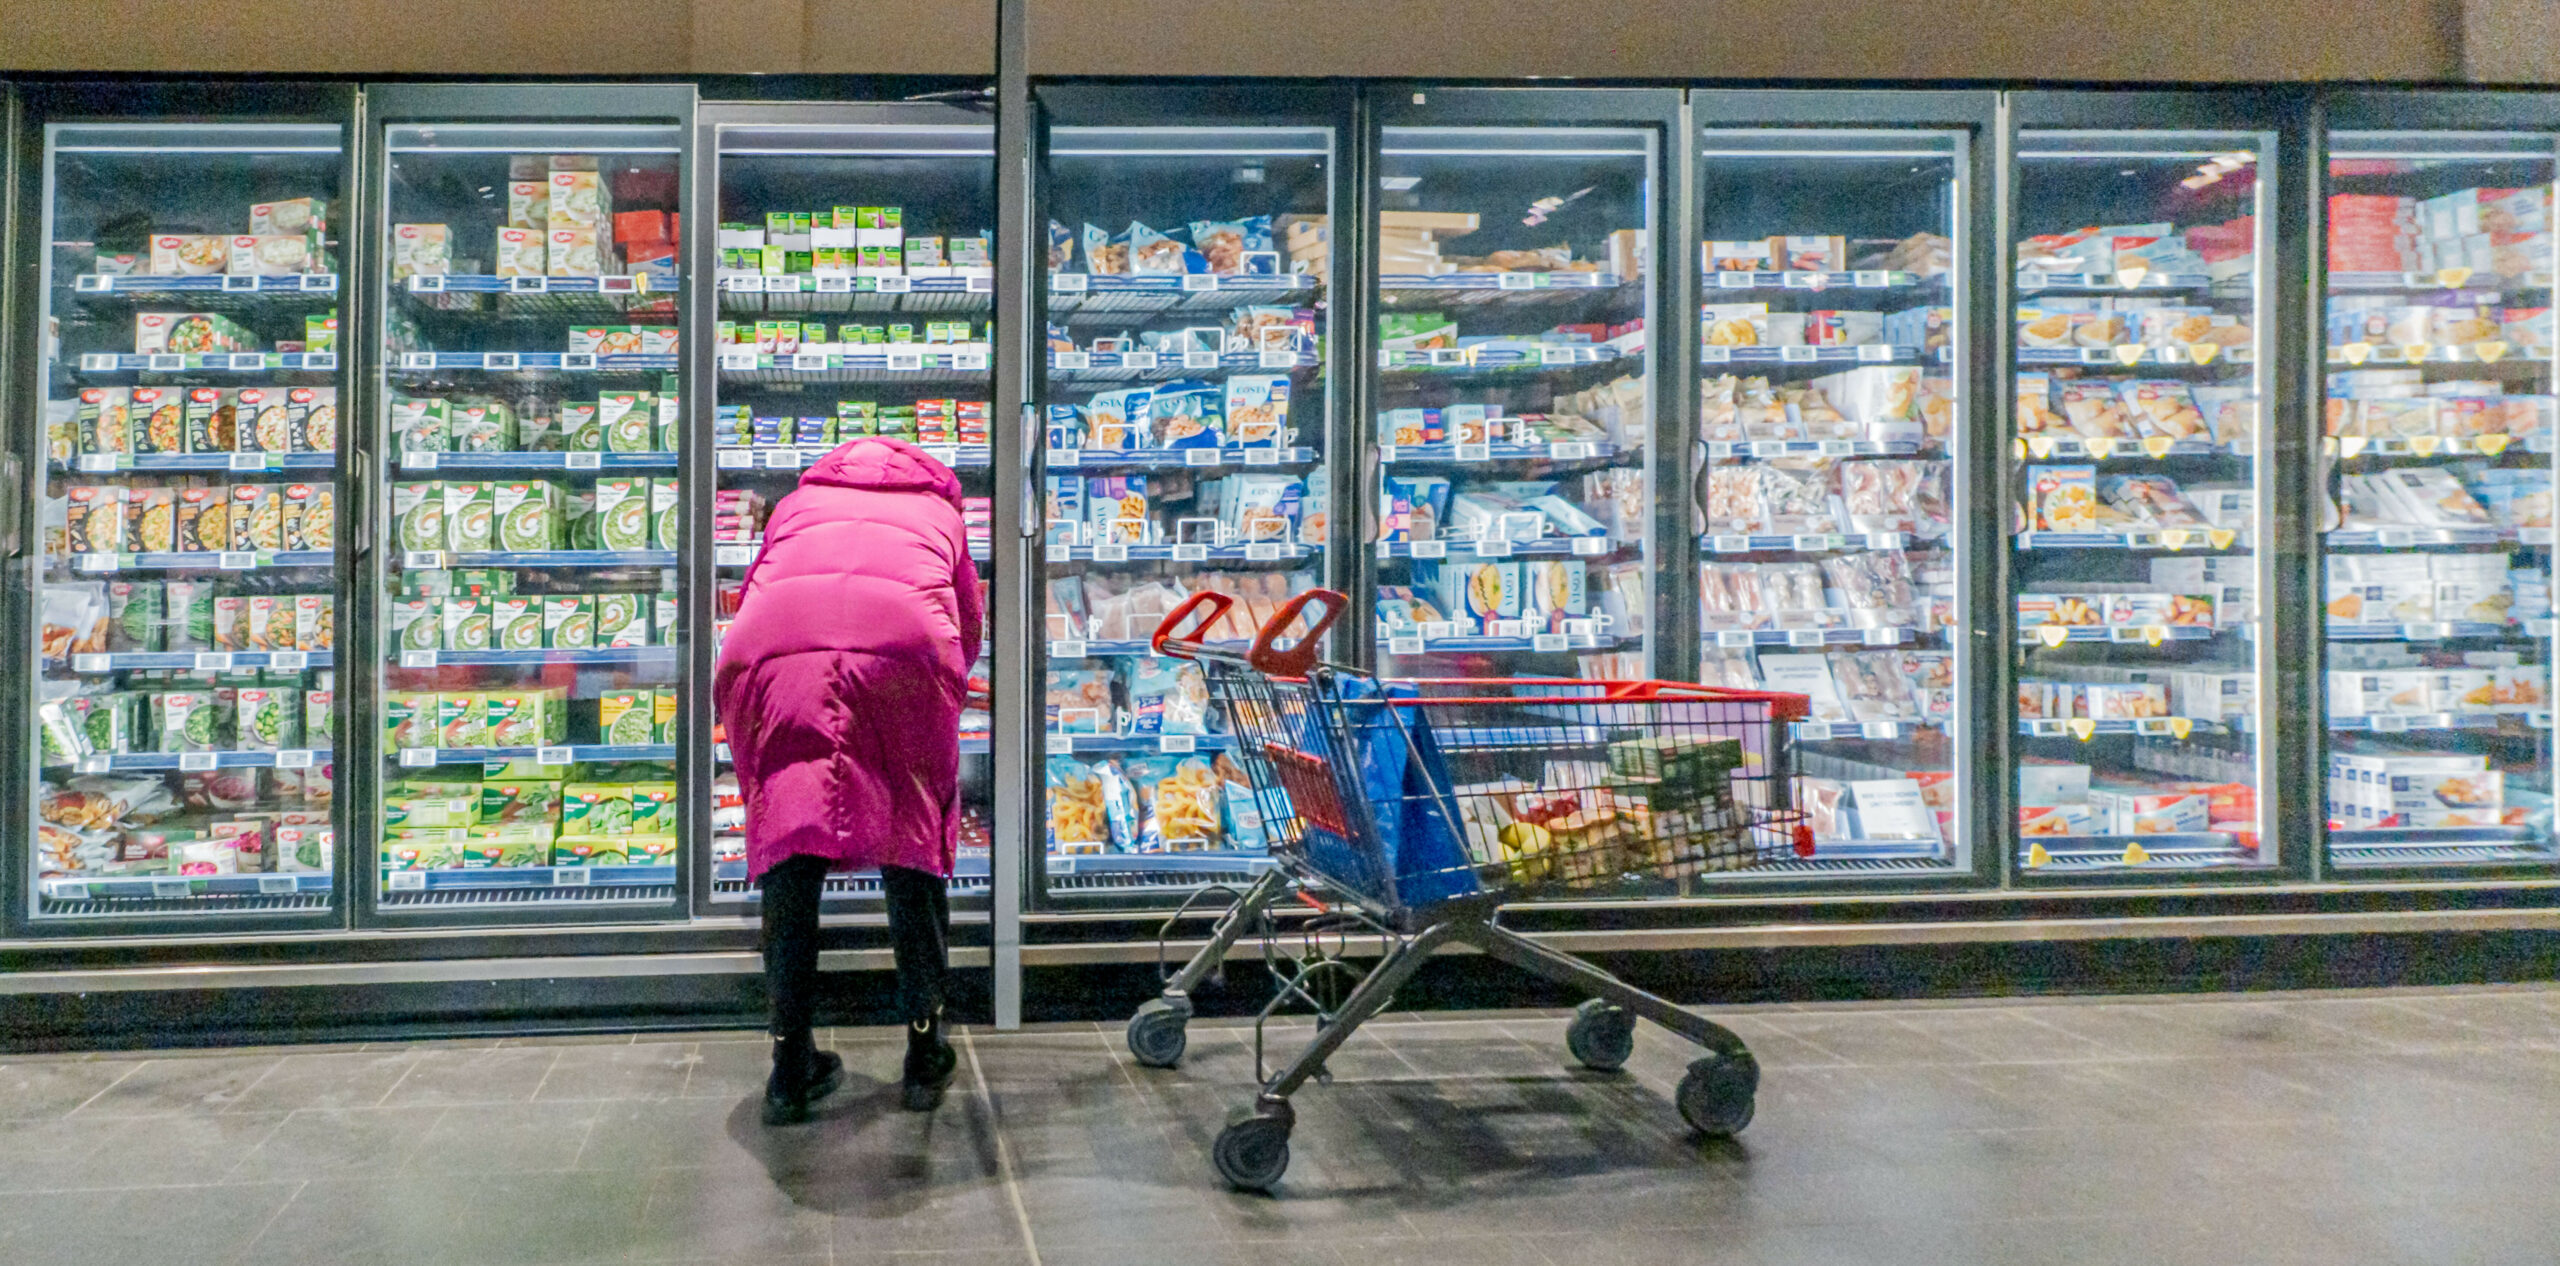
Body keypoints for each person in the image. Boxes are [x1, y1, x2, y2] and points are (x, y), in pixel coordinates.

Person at [713, 437, 984, 1125]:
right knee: (910, 838)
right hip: (901, 659)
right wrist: (940, 695)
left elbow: (755, 593)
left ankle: (789, 1066)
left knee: (790, 846)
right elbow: (967, 623)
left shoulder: (798, 503)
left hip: (774, 661)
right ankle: (926, 1054)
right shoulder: (941, 514)